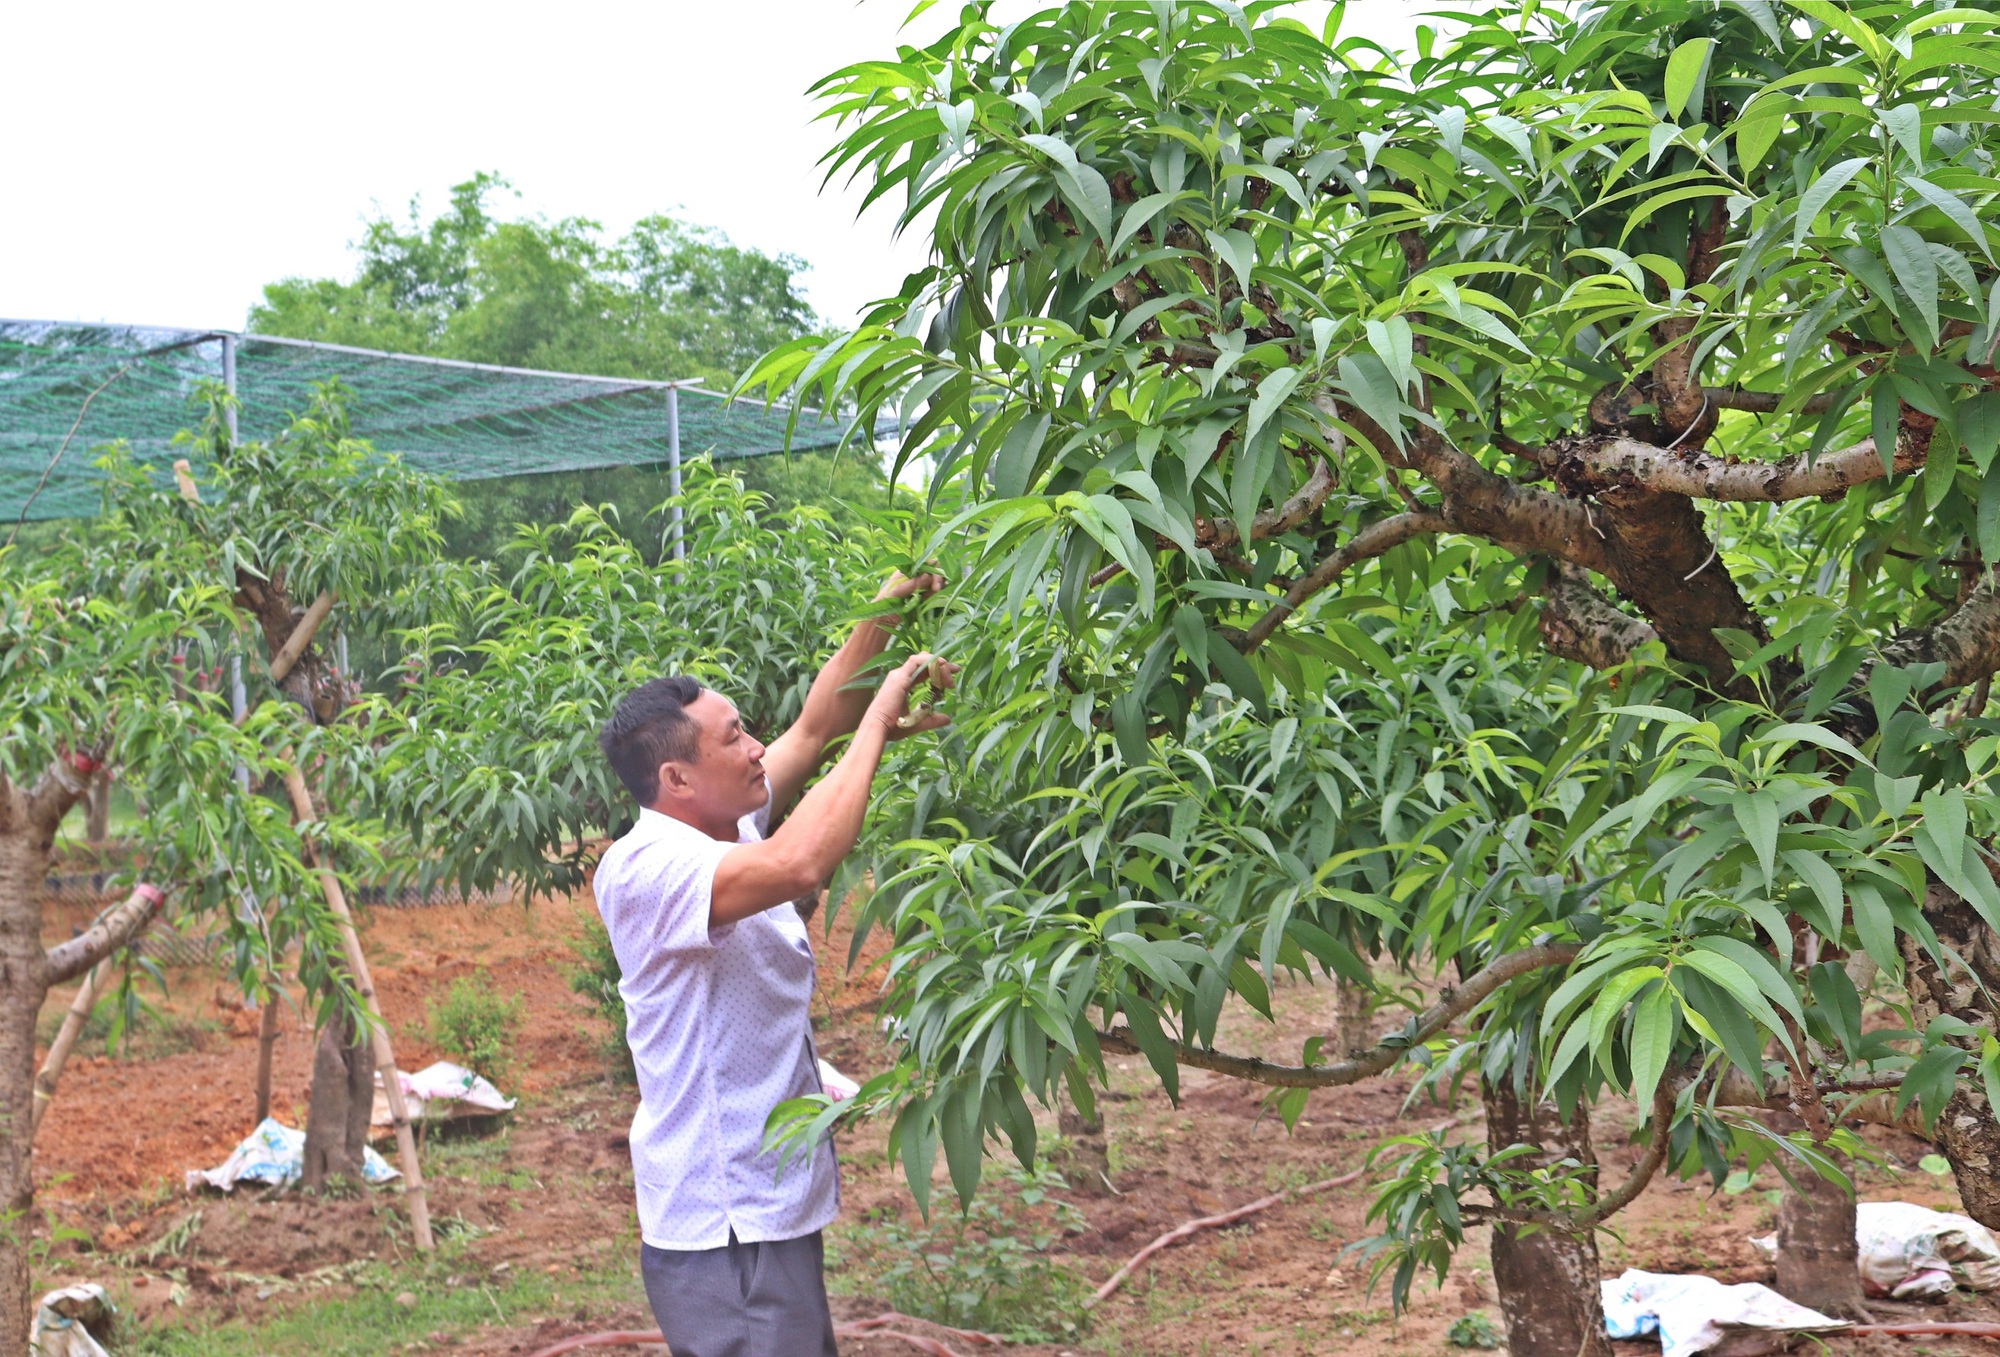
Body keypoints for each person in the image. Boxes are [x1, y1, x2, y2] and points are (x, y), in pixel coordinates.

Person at [592, 571, 953, 1357]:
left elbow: (817, 724)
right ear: (676, 779)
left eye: (744, 728)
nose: (756, 747)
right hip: (726, 1225)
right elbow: (802, 864)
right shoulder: (648, 864)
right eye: (732, 739)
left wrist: (891, 602)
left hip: (762, 1208)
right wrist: (882, 723)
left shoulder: (730, 823)